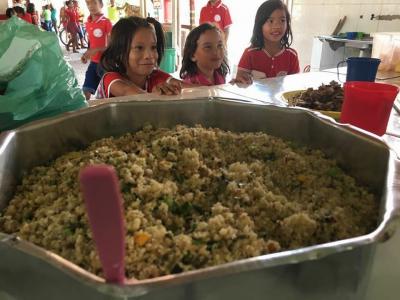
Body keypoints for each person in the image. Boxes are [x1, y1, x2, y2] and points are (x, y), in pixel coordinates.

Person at [98, 16, 184, 98]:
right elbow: (127, 91)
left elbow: (192, 89)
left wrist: (175, 87)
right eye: (139, 48)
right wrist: (154, 96)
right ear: (119, 52)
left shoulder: (156, 76)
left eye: (153, 47)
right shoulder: (111, 79)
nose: (149, 55)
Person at [234, 0, 300, 84]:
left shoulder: (292, 56)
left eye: (282, 20)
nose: (277, 26)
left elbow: (294, 86)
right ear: (260, 24)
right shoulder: (250, 53)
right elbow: (239, 83)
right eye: (271, 21)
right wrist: (241, 81)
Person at [80, 0, 113, 100]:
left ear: (101, 5)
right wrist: (86, 54)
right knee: (86, 89)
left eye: (94, 3)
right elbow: (91, 45)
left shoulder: (106, 22)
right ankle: (85, 112)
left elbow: (112, 46)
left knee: (107, 92)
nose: (91, 6)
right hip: (93, 63)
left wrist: (96, 50)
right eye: (88, 3)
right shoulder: (88, 23)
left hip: (105, 64)